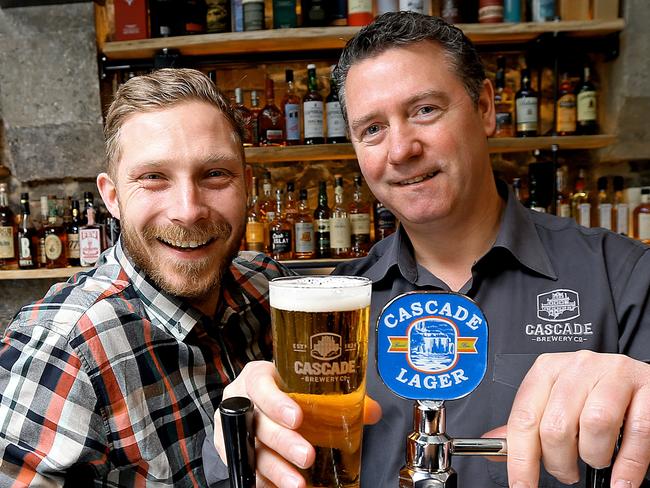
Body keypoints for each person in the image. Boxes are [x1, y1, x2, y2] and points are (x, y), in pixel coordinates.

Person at [206, 12, 650, 488]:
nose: (400, 150)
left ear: (484, 108)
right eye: (372, 128)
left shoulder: (622, 275)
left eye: (424, 110)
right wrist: (242, 434)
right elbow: (258, 465)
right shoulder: (333, 304)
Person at [0, 68, 291, 486]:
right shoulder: (61, 351)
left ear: (246, 186)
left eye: (214, 174)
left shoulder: (266, 283)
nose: (188, 210)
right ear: (112, 197)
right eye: (153, 178)